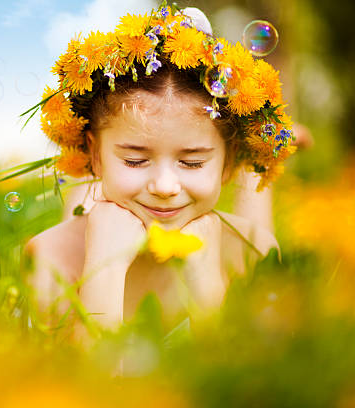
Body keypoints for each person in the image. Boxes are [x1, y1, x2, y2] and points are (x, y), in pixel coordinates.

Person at [24, 5, 296, 347]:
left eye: (193, 162)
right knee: (90, 198)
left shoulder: (252, 248)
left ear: (227, 164)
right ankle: (85, 191)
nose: (165, 188)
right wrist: (104, 267)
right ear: (93, 153)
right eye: (136, 160)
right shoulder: (50, 257)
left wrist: (206, 280)